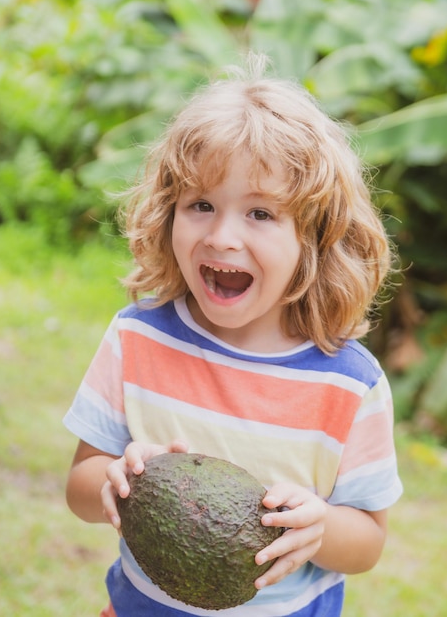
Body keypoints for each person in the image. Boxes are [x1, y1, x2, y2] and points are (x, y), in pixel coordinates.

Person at [64, 52, 403, 617]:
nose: (222, 236)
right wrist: (115, 478)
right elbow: (80, 485)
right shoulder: (138, 338)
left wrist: (319, 528)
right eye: (200, 205)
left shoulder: (348, 384)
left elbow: (367, 541)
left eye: (261, 214)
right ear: (168, 215)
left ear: (314, 239)